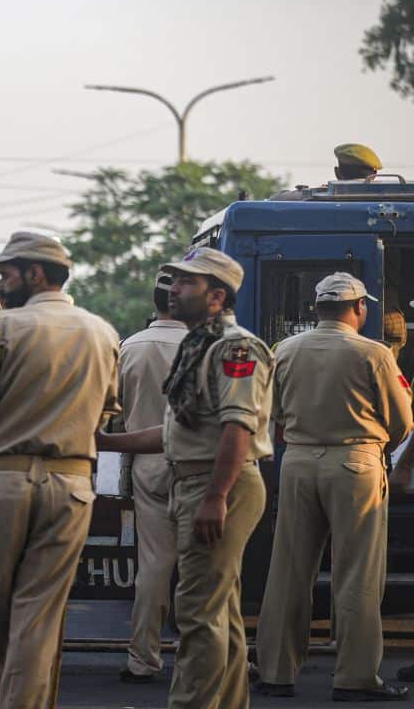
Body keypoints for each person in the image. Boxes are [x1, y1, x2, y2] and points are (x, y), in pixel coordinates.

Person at [98, 247, 272, 709]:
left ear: (217, 296)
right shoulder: (197, 345)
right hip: (193, 480)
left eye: (186, 283)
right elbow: (177, 432)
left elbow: (238, 427)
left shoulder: (235, 347)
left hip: (217, 484)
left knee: (197, 612)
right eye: (173, 281)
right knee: (220, 613)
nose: (172, 290)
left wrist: (216, 496)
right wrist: (104, 442)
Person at [0, 232, 120, 708]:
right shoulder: (102, 331)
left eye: (7, 273)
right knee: (41, 615)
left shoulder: (0, 328)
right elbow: (107, 409)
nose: (1, 284)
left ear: (36, 274)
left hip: (0, 478)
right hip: (71, 483)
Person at [253, 273, 412, 701]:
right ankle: (355, 677)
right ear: (359, 307)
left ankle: (275, 672)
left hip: (299, 462)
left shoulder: (283, 350)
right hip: (356, 464)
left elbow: (273, 413)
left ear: (316, 308)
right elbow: (403, 422)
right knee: (357, 572)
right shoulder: (374, 354)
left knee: (288, 570)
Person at [117, 272, 188, 684]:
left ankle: (142, 658)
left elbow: (115, 403)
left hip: (146, 463)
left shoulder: (130, 346)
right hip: (200, 465)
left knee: (154, 565)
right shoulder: (208, 344)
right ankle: (210, 658)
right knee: (208, 568)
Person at [269, 143, 384, 200]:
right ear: (374, 174)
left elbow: (276, 199)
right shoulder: (392, 199)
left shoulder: (320, 197)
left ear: (337, 173)